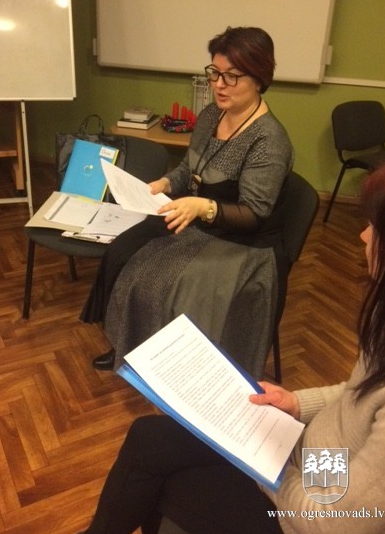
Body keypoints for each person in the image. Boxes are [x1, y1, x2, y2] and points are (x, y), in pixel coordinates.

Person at [73, 159, 385, 534]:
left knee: (161, 484)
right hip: (317, 462)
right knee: (148, 437)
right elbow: (360, 394)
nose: (364, 236)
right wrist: (297, 403)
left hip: (315, 516)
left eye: (377, 228)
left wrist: (269, 469)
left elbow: (332, 526)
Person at [80, 26, 294, 375]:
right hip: (198, 217)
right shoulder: (211, 115)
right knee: (122, 250)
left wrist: (202, 207)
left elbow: (254, 214)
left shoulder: (269, 140)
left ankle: (166, 367)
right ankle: (128, 345)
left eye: (232, 76)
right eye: (214, 73)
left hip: (243, 242)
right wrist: (166, 182)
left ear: (259, 79)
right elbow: (189, 168)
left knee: (159, 281)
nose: (219, 85)